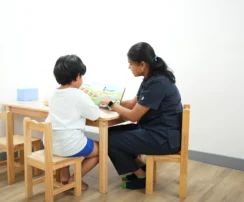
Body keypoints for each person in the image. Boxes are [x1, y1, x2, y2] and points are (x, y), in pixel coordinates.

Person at [100, 42, 183, 190]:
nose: (129, 67)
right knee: (108, 134)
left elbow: (133, 115)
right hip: (156, 131)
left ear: (142, 64)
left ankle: (141, 176)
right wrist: (107, 103)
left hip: (163, 138)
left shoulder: (157, 83)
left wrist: (113, 104)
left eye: (131, 64)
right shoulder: (150, 79)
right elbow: (133, 103)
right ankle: (141, 167)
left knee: (109, 140)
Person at [45, 54, 101, 191]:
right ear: (77, 76)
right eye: (81, 75)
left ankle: (64, 177)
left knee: (63, 139)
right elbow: (94, 115)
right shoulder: (79, 95)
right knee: (101, 149)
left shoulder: (52, 93)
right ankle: (75, 179)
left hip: (50, 143)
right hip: (69, 145)